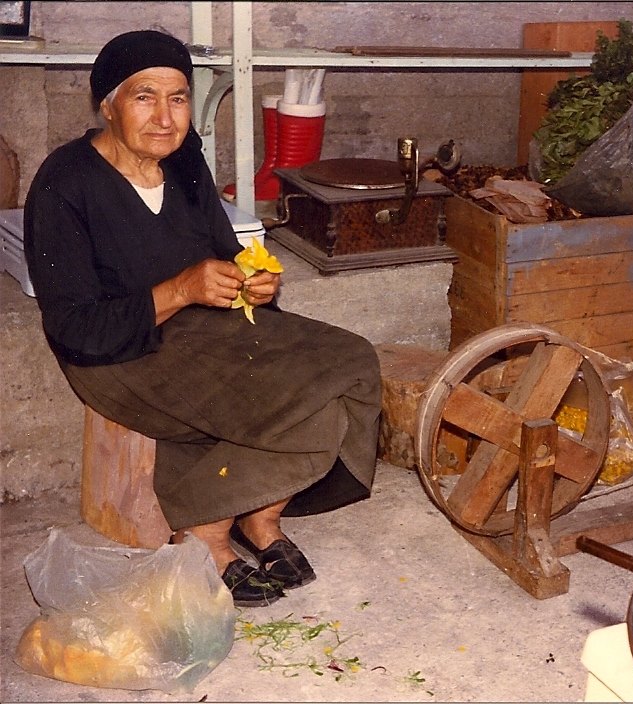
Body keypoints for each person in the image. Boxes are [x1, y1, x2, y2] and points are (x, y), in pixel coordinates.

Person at [24, 30, 382, 607]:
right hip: (122, 353)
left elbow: (222, 248)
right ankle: (206, 530)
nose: (166, 118)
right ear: (107, 104)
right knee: (293, 400)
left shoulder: (185, 160)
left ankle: (259, 518)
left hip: (205, 327)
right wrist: (182, 289)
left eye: (179, 98)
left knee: (352, 362)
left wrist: (253, 279)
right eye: (145, 97)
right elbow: (75, 329)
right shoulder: (65, 184)